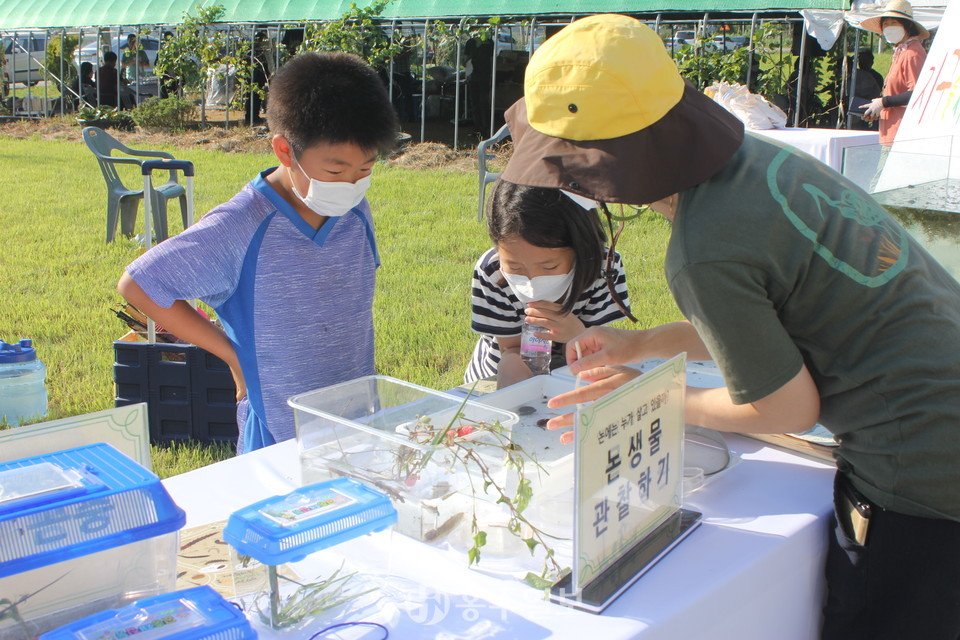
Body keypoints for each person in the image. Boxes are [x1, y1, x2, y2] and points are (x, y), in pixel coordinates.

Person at [500, 14, 960, 639]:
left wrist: (648, 397)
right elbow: (773, 322)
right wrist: (641, 344)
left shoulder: (704, 249)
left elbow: (785, 406)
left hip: (922, 467)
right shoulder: (757, 164)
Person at [117, 52, 398, 453]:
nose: (351, 184)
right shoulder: (241, 225)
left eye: (366, 169)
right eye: (336, 172)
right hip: (278, 435)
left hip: (358, 422)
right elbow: (140, 284)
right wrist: (230, 354)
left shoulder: (355, 210)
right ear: (285, 151)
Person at [466, 180, 631, 387]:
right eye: (515, 268)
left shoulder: (604, 268)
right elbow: (510, 349)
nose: (532, 280)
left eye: (549, 267)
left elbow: (600, 349)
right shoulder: (491, 272)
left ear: (581, 246)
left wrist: (578, 333)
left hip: (577, 369)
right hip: (499, 375)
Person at [860, 0, 928, 172]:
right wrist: (878, 108)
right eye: (886, 24)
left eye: (894, 22)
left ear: (907, 26)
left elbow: (918, 93)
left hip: (902, 134)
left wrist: (884, 102)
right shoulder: (901, 52)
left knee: (881, 186)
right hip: (890, 131)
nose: (889, 27)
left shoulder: (913, 53)